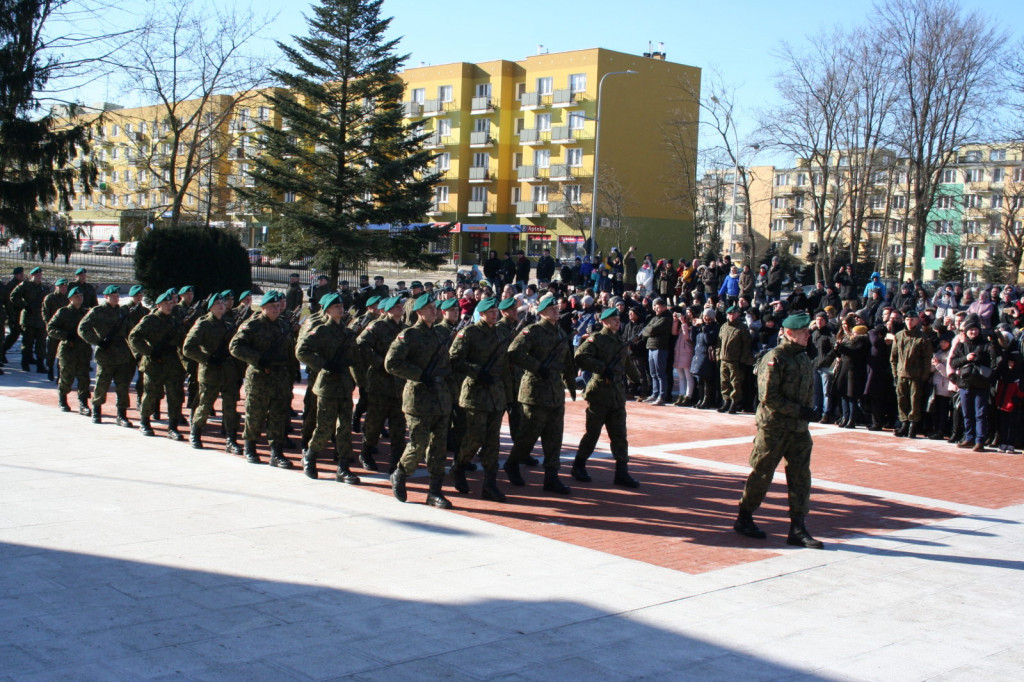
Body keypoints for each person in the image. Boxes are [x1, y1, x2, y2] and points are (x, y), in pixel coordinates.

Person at [733, 312, 823, 549]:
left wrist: (807, 412)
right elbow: (768, 397)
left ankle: (798, 527)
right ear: (790, 333)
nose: (808, 336)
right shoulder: (775, 358)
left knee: (801, 476)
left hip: (798, 429)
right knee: (762, 473)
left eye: (809, 332)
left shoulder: (802, 358)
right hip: (774, 427)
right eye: (804, 332)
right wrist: (799, 411)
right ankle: (744, 517)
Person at [386, 294, 454, 508]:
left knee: (438, 448)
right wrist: (418, 374)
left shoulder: (442, 334)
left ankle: (434, 492)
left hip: (440, 397)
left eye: (435, 307)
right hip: (418, 399)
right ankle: (400, 473)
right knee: (418, 444)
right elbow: (391, 363)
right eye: (428, 308)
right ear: (418, 312)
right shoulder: (409, 335)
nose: (433, 311)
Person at [505, 294, 577, 494]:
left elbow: (567, 361)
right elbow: (514, 352)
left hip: (555, 392)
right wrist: (536, 367)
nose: (556, 310)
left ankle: (551, 477)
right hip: (535, 391)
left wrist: (571, 385)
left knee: (554, 438)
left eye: (556, 308)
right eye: (551, 308)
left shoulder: (561, 332)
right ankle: (512, 464)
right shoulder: (533, 331)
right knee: (528, 435)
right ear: (542, 312)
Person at [570, 307, 643, 487]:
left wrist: (637, 380)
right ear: (604, 321)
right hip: (600, 393)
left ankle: (622, 472)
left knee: (620, 435)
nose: (617, 322)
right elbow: (580, 356)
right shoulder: (597, 338)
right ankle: (578, 465)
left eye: (618, 319)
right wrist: (602, 368)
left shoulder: (620, 340)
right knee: (592, 433)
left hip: (617, 395)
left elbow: (626, 363)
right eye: (613, 320)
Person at [448, 296, 508, 501]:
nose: (495, 314)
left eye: (496, 311)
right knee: (474, 438)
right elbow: (455, 359)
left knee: (493, 441)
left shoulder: (501, 332)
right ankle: (458, 467)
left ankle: (490, 484)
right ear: (481, 314)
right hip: (475, 393)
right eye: (491, 311)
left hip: (496, 394)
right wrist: (477, 371)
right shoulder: (469, 332)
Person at [297, 293, 360, 483]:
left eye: (341, 306)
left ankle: (343, 467)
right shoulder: (321, 330)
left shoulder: (348, 333)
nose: (341, 309)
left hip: (344, 385)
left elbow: (355, 357)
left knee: (344, 428)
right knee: (324, 427)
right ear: (327, 310)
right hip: (327, 386)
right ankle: (310, 456)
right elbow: (302, 351)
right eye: (336, 307)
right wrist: (323, 364)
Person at [229, 291, 295, 468]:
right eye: (272, 306)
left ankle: (276, 452)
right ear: (263, 307)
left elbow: (290, 351)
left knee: (279, 416)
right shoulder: (253, 325)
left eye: (278, 306)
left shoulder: (283, 325)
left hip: (279, 377)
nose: (276, 309)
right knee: (255, 414)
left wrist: (292, 370)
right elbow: (235, 347)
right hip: (259, 377)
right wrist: (257, 359)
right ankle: (250, 447)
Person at [182, 292, 242, 453]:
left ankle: (231, 438)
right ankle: (195, 432)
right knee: (205, 405)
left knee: (230, 407)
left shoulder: (229, 324)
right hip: (210, 371)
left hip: (228, 371)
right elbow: (188, 348)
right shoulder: (203, 324)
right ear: (210, 307)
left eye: (223, 303)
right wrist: (206, 359)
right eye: (217, 303)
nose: (222, 305)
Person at [357, 296, 407, 472]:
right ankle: (366, 452)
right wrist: (380, 363)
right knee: (374, 423)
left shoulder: (405, 329)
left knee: (399, 425)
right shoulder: (377, 326)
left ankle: (396, 460)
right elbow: (361, 344)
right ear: (388, 309)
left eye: (401, 305)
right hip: (380, 383)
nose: (400, 308)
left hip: (399, 385)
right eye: (396, 306)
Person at [129, 289, 187, 441]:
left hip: (172, 363)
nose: (169, 306)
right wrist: (149, 351)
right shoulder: (150, 320)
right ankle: (145, 422)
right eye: (165, 304)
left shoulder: (175, 320)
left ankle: (173, 426)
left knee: (175, 394)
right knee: (151, 393)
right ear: (158, 305)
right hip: (154, 362)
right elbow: (134, 337)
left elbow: (182, 340)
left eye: (170, 303)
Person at [78, 285, 134, 427]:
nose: (116, 297)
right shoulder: (97, 311)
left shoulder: (122, 312)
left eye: (117, 295)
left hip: (122, 353)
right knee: (102, 384)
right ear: (105, 297)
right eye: (113, 295)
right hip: (106, 353)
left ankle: (122, 415)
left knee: (122, 386)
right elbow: (82, 328)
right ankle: (97, 411)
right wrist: (97, 341)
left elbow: (130, 331)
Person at [949, 314, 998, 452]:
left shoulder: (987, 345)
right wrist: (966, 358)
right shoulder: (961, 345)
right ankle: (969, 438)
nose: (973, 332)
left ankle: (980, 441)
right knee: (967, 413)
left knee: (980, 414)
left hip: (981, 384)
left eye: (975, 329)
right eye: (970, 330)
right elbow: (953, 362)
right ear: (966, 331)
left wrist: (988, 377)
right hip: (965, 384)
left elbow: (994, 364)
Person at [46, 285, 92, 414]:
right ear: (70, 299)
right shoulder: (63, 312)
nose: (79, 298)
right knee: (67, 376)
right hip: (68, 349)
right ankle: (63, 399)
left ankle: (83, 403)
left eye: (81, 296)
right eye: (76, 296)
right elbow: (51, 329)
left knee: (84, 377)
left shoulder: (86, 312)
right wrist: (66, 335)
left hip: (83, 350)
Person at [890, 310, 933, 438]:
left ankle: (913, 426)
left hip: (916, 376)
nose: (910, 322)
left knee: (915, 401)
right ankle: (904, 424)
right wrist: (895, 374)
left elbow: (927, 360)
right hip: (901, 374)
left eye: (912, 319)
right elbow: (893, 357)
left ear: (917, 320)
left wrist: (924, 376)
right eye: (907, 319)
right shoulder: (899, 336)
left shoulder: (923, 338)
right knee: (901, 400)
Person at [717, 305, 754, 414]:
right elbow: (719, 343)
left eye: (733, 313)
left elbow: (747, 345)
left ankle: (734, 403)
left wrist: (743, 360)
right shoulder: (724, 327)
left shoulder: (742, 328)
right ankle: (726, 401)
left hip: (736, 361)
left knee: (735, 383)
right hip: (724, 359)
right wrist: (718, 356)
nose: (731, 316)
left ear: (738, 314)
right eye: (729, 314)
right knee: (724, 382)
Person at [11, 266, 47, 372]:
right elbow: (14, 296)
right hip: (28, 319)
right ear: (32, 276)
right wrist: (25, 305)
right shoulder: (25, 285)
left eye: (40, 275)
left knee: (41, 343)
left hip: (40, 319)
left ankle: (40, 365)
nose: (39, 277)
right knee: (28, 343)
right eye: (37, 275)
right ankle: (25, 362)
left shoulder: (43, 288)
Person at [641, 298, 673, 405]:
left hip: (660, 347)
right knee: (653, 373)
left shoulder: (666, 318)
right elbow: (645, 330)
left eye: (657, 306)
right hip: (651, 347)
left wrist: (649, 330)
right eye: (654, 306)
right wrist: (648, 330)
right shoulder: (655, 318)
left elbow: (651, 330)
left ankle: (661, 396)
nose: (655, 308)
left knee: (660, 373)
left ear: (664, 307)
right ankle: (654, 394)